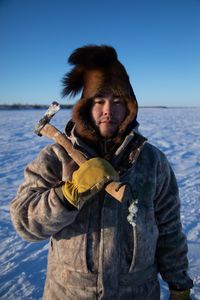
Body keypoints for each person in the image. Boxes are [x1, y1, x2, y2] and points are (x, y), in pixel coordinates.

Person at [10, 45, 193, 299]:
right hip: (69, 293)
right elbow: (24, 222)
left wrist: (179, 284)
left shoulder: (151, 162)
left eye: (118, 102)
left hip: (138, 293)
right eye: (99, 101)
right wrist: (68, 195)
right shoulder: (55, 159)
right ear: (86, 107)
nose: (109, 109)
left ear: (130, 108)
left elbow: (169, 228)